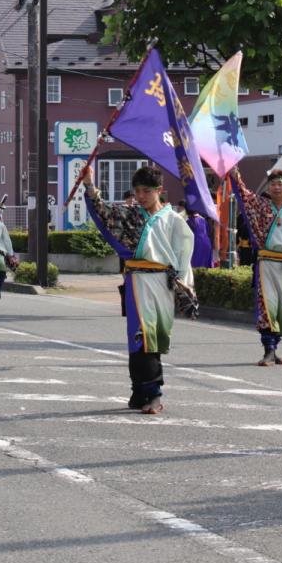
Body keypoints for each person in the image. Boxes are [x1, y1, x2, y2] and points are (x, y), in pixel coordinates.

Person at [82, 164, 195, 414]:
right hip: (137, 282)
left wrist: (184, 288)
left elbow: (184, 256)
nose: (141, 196)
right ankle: (150, 392)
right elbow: (103, 210)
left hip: (163, 283)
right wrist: (89, 184)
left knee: (151, 338)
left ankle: (142, 391)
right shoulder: (129, 214)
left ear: (159, 190)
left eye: (147, 191)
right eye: (138, 191)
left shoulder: (174, 220)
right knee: (141, 338)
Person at [229, 166, 282, 367]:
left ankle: (275, 348)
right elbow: (244, 195)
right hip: (266, 264)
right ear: (268, 188)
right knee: (267, 307)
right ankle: (268, 349)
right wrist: (236, 175)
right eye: (272, 184)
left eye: (280, 184)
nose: (276, 188)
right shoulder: (260, 205)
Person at [173, 200, 216, 269]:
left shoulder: (187, 222)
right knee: (205, 268)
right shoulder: (203, 220)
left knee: (194, 268)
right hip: (206, 245)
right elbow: (208, 232)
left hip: (195, 246)